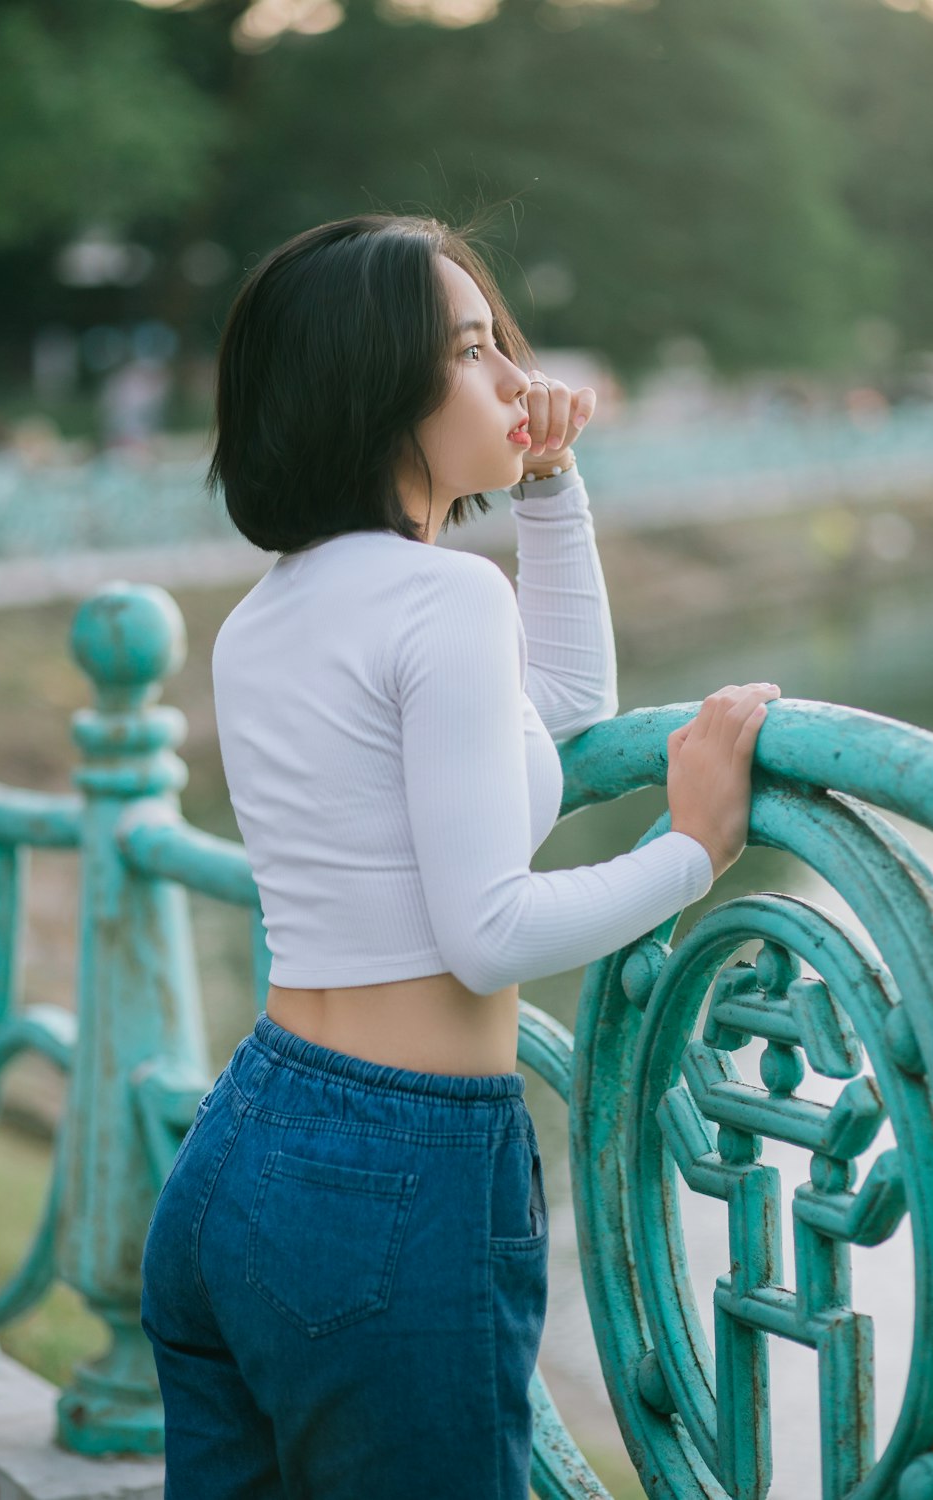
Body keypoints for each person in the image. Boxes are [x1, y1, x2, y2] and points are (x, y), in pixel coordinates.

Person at [139, 210, 780, 1500]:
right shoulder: (441, 600)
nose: (515, 377)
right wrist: (691, 848)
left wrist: (549, 485)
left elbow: (555, 709)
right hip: (396, 1176)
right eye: (475, 348)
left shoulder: (266, 618)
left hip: (244, 1148)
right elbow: (488, 929)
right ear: (377, 389)